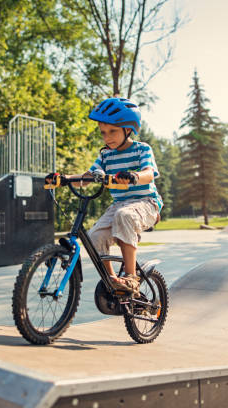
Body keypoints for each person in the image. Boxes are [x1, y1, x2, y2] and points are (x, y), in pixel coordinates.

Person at [45, 97, 162, 294]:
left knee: (124, 216)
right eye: (103, 133)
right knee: (94, 237)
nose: (107, 138)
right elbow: (89, 176)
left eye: (113, 131)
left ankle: (131, 278)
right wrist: (63, 179)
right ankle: (113, 280)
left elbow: (149, 173)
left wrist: (133, 176)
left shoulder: (142, 149)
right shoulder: (106, 155)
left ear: (128, 129)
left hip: (146, 203)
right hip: (120, 205)